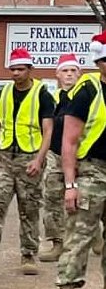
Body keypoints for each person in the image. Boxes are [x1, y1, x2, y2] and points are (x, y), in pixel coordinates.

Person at [0, 47, 56, 277]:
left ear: (30, 70)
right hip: (5, 157)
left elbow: (48, 131)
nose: (16, 73)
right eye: (13, 69)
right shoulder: (1, 94)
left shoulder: (42, 95)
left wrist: (39, 159)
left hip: (30, 159)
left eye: (20, 69)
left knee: (29, 209)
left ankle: (28, 254)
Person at [54, 34, 106, 289]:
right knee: (79, 233)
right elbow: (69, 143)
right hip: (92, 170)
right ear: (99, 63)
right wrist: (70, 185)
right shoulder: (87, 92)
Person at [40, 54, 81, 262]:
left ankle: (89, 237)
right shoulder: (52, 99)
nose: (69, 75)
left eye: (73, 70)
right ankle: (58, 242)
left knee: (84, 200)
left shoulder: (84, 96)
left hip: (81, 155)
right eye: (65, 71)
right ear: (57, 74)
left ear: (79, 73)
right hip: (55, 155)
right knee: (51, 199)